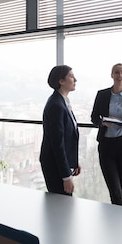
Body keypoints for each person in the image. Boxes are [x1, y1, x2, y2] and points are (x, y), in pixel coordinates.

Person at [91, 63, 122, 206]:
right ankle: (121, 220)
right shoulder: (102, 95)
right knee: (115, 189)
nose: (120, 76)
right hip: (107, 145)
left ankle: (120, 222)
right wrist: (103, 122)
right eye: (117, 72)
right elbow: (94, 117)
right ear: (112, 75)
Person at [40, 65, 81, 196]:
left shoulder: (63, 101)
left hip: (60, 163)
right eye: (71, 76)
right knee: (61, 206)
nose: (75, 79)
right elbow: (57, 144)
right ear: (61, 81)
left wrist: (73, 161)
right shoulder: (56, 105)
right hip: (54, 165)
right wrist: (66, 177)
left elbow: (67, 137)